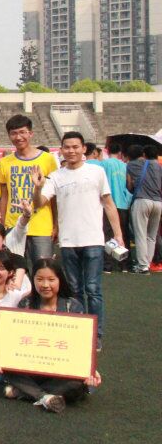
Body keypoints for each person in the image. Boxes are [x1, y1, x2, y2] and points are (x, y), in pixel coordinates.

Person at [33, 132, 122, 349]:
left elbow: (108, 203)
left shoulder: (96, 172)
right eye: (67, 147)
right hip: (68, 242)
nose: (71, 151)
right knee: (74, 290)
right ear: (61, 150)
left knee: (93, 289)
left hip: (93, 239)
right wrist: (37, 187)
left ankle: (96, 335)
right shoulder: (56, 176)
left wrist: (118, 234)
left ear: (84, 149)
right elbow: (39, 202)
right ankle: (79, 332)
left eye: (75, 147)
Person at [1, 258, 102, 413]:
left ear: (60, 280)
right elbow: (15, 341)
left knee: (77, 383)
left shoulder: (72, 306)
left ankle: (25, 392)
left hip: (61, 369)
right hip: (31, 367)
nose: (45, 285)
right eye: (40, 279)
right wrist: (1, 360)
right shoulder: (25, 304)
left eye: (51, 279)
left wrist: (90, 368)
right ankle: (46, 397)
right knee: (7, 369)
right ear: (33, 280)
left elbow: (81, 344)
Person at [0, 115, 58, 274]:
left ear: (30, 133)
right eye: (13, 133)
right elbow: (5, 195)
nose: (18, 137)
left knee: (43, 270)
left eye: (22, 132)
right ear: (9, 135)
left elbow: (54, 197)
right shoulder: (4, 162)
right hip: (13, 224)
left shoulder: (47, 159)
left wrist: (56, 224)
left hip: (41, 225)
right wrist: (2, 223)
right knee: (15, 271)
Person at [127, 145, 162, 274]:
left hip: (142, 200)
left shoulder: (132, 165)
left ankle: (142, 266)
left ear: (144, 154)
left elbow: (129, 185)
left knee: (140, 234)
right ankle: (147, 263)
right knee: (152, 236)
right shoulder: (159, 166)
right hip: (158, 202)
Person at [100, 141, 134, 273]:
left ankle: (107, 265)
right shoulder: (124, 165)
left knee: (108, 234)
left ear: (108, 151)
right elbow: (129, 183)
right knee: (123, 234)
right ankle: (124, 264)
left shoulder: (104, 164)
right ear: (120, 152)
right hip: (123, 203)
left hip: (108, 203)